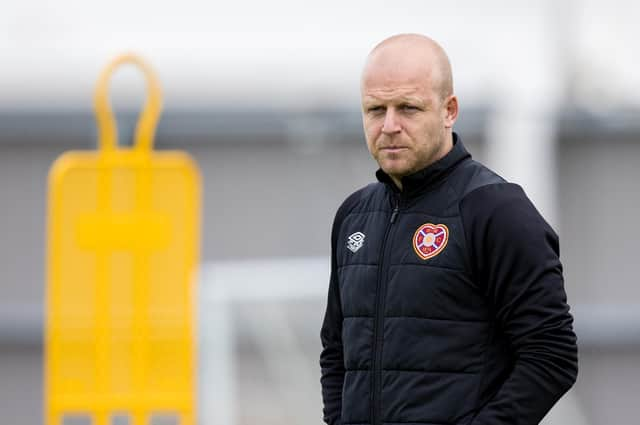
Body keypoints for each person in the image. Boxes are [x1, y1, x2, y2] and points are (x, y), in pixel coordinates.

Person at [319, 34, 578, 425]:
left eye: (407, 107)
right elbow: (336, 351)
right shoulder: (354, 215)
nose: (389, 125)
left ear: (449, 110)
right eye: (375, 109)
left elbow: (552, 353)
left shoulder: (496, 209)